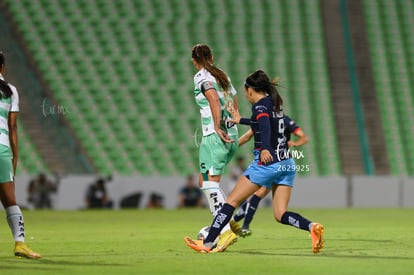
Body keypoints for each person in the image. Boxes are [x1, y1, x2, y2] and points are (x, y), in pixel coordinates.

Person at [184, 69, 324, 253]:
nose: (246, 96)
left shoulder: (259, 106)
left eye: (245, 92)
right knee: (280, 214)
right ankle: (312, 227)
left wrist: (265, 147)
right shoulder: (274, 103)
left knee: (230, 202)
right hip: (286, 163)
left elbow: (264, 126)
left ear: (250, 90)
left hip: (266, 163)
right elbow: (260, 123)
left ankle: (207, 243)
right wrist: (239, 120)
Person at [191, 44, 242, 249]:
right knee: (204, 181)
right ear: (212, 56)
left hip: (215, 136)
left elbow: (212, 98)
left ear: (194, 61)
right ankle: (225, 220)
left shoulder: (201, 76)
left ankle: (224, 230)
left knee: (210, 183)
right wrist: (232, 124)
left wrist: (217, 126)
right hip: (231, 135)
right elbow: (234, 102)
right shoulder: (223, 75)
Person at [233, 115, 309, 236]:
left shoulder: (267, 119)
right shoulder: (281, 120)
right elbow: (303, 137)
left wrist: (294, 144)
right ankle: (311, 226)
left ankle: (240, 225)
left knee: (255, 195)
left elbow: (304, 138)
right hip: (284, 163)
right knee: (276, 210)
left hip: (270, 164)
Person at [0, 51, 41, 258]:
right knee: (9, 199)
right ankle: (20, 244)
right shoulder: (10, 91)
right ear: (2, 68)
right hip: (1, 147)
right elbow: (13, 127)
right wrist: (15, 156)